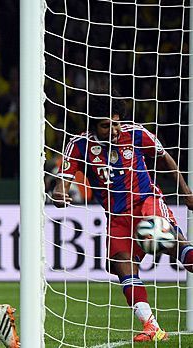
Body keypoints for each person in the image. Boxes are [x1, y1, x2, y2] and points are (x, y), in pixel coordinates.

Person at [52, 93, 193, 342]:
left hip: (145, 203)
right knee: (121, 265)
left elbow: (166, 158)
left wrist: (186, 192)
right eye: (107, 125)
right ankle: (152, 327)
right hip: (117, 217)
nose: (114, 129)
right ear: (93, 125)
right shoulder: (79, 145)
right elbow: (62, 183)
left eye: (116, 123)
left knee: (167, 241)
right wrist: (60, 193)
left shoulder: (136, 134)